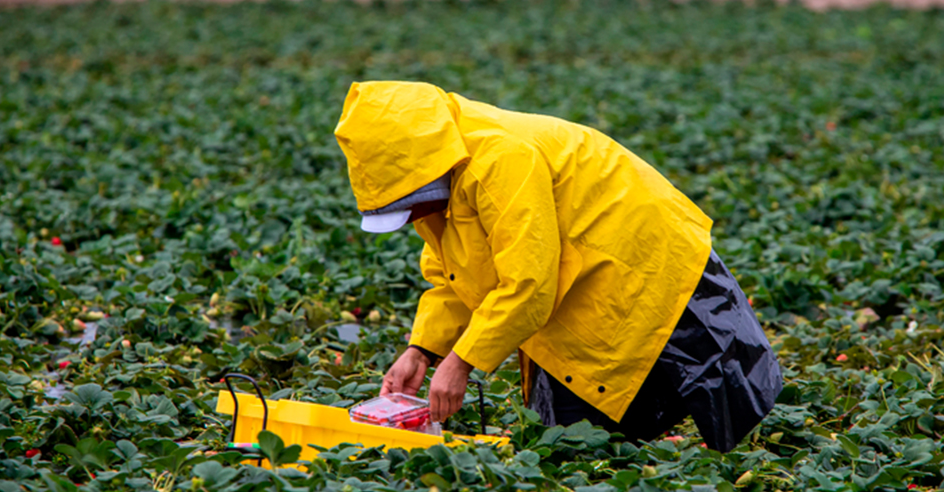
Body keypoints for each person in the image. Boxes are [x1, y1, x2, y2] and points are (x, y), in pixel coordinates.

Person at [334, 81, 783, 452]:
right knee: (566, 448)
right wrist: (423, 351)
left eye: (408, 205)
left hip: (642, 261)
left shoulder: (502, 158)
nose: (411, 217)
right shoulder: (437, 192)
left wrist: (463, 361)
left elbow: (528, 284)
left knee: (723, 413)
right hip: (575, 281)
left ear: (426, 171)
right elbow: (457, 280)